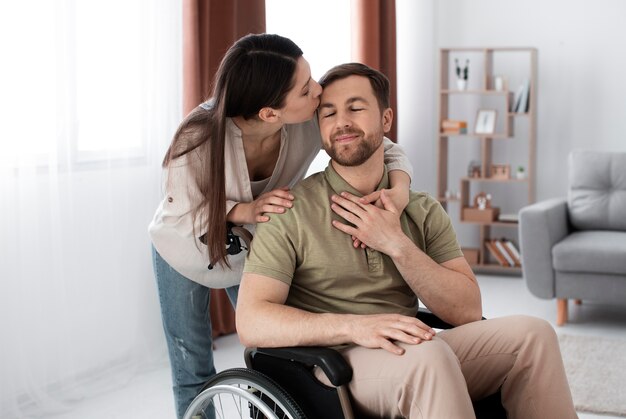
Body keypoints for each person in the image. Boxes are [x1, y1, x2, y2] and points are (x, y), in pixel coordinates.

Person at [236, 63, 577, 418]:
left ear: (386, 120)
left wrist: (395, 243)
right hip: (334, 365)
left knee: (534, 335)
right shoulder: (290, 210)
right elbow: (251, 321)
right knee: (429, 356)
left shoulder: (421, 209)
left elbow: (467, 311)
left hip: (414, 349)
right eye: (329, 113)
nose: (342, 122)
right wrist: (354, 325)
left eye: (355, 107)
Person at [148, 35, 414, 419]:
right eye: (306, 89)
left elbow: (382, 146)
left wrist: (400, 190)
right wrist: (244, 209)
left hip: (249, 248)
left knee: (273, 351)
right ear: (271, 113)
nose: (319, 91)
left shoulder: (304, 122)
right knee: (192, 366)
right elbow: (185, 211)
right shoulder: (197, 137)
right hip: (184, 247)